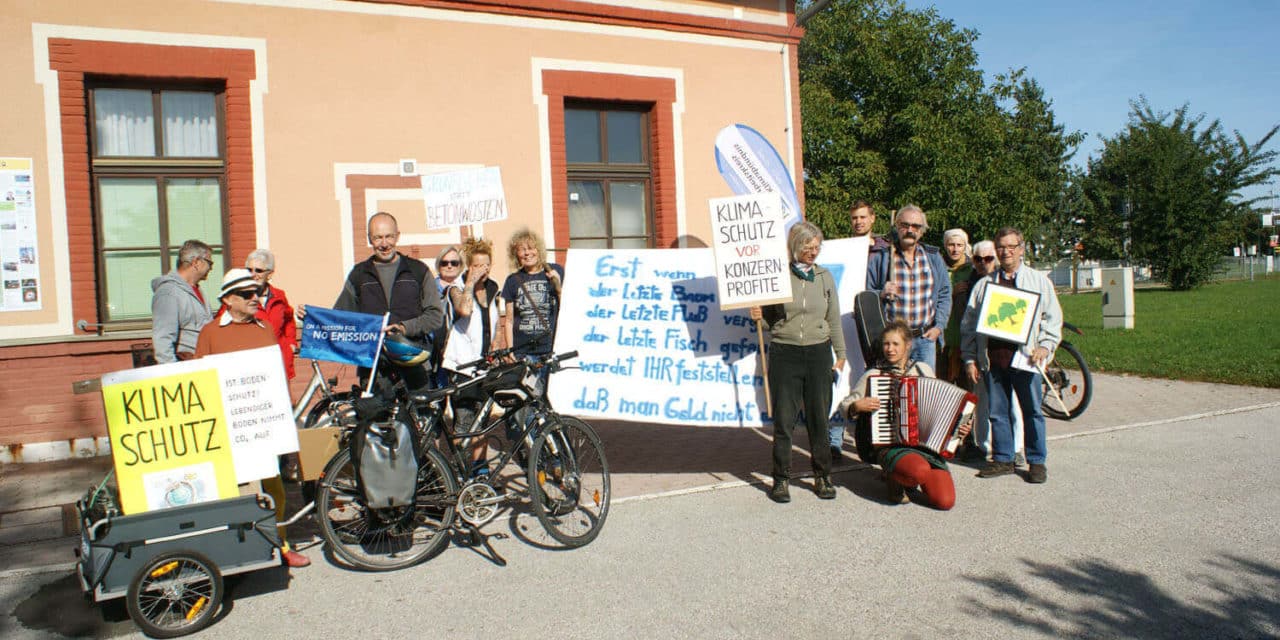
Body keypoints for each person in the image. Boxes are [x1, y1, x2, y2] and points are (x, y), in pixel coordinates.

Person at [195, 268, 310, 568]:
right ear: (228, 299)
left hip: (262, 425)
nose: (254, 298)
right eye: (246, 294)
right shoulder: (210, 333)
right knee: (231, 491)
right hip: (229, 426)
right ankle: (232, 551)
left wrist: (281, 410)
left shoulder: (263, 329)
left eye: (255, 292)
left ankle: (281, 544)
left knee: (275, 489)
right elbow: (199, 382)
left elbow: (273, 375)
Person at [750, 221, 846, 503]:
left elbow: (833, 318)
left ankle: (823, 476)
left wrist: (840, 355)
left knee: (819, 419)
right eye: (807, 246)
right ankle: (781, 480)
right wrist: (757, 315)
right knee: (784, 421)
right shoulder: (776, 277)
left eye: (817, 247)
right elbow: (769, 322)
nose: (812, 251)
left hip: (818, 354)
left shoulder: (825, 277)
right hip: (785, 354)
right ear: (795, 246)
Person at [962, 227, 1062, 484]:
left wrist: (1046, 346)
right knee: (997, 412)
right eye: (1001, 247)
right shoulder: (985, 285)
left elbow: (1053, 319)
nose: (1006, 252)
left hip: (1026, 360)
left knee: (1032, 412)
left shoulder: (1039, 281)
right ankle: (1004, 459)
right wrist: (970, 358)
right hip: (993, 360)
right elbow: (969, 325)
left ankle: (1036, 461)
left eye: (1011, 246)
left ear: (1021, 248)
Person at [838, 320, 956, 510]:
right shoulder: (874, 375)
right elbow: (844, 406)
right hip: (891, 445)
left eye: (895, 344)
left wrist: (959, 427)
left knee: (945, 501)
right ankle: (895, 476)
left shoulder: (922, 370)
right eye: (886, 344)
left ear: (907, 345)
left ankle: (906, 475)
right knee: (918, 471)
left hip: (926, 447)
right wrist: (856, 406)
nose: (890, 349)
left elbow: (944, 408)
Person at [332, 212, 444, 390]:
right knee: (378, 418)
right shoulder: (359, 275)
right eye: (377, 238)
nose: (384, 244)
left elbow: (436, 316)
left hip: (413, 361)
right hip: (375, 369)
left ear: (397, 236)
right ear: (370, 239)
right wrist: (311, 318)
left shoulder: (418, 270)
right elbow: (339, 317)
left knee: (421, 417)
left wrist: (404, 327)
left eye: (389, 236)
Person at [829, 200, 891, 461]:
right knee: (842, 379)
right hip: (848, 323)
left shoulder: (886, 252)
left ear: (873, 219)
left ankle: (871, 440)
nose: (858, 222)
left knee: (872, 383)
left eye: (863, 217)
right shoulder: (841, 248)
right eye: (854, 218)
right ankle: (834, 441)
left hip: (877, 327)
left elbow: (886, 288)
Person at [442, 238, 506, 476]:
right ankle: (459, 472)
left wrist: (497, 347)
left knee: (482, 421)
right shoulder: (456, 288)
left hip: (483, 366)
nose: (484, 270)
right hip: (462, 367)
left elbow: (498, 321)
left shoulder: (493, 288)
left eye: (487, 264)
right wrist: (470, 281)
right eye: (478, 265)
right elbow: (464, 310)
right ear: (469, 266)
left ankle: (480, 471)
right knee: (464, 423)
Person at [866, 205, 951, 372]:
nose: (910, 230)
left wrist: (938, 327)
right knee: (894, 390)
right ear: (896, 227)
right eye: (905, 225)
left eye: (916, 226)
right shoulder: (882, 258)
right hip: (894, 341)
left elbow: (944, 294)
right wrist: (881, 293)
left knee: (925, 391)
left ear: (922, 231)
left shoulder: (933, 257)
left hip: (925, 338)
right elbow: (867, 295)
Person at [500, 229, 563, 358]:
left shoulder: (555, 271)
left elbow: (567, 308)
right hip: (523, 352)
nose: (527, 253)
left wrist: (558, 287)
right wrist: (510, 350)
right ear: (516, 255)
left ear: (539, 250)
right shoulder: (512, 280)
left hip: (551, 349)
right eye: (522, 250)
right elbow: (509, 320)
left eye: (531, 248)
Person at [151, 240, 214, 363]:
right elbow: (163, 338)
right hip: (186, 367)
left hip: (204, 365)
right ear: (196, 262)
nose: (211, 268)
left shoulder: (196, 289)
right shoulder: (169, 292)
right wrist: (173, 373)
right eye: (209, 263)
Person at [243, 249, 298, 379]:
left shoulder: (279, 295)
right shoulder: (239, 298)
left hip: (279, 360)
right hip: (252, 365)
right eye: (249, 270)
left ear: (270, 274)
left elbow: (289, 319)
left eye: (258, 270)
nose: (253, 274)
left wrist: (291, 343)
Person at [940, 229, 974, 385]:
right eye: (951, 245)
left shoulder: (972, 269)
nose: (955, 249)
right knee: (941, 385)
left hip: (964, 338)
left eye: (959, 245)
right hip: (943, 336)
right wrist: (950, 293)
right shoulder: (938, 267)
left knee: (965, 388)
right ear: (945, 246)